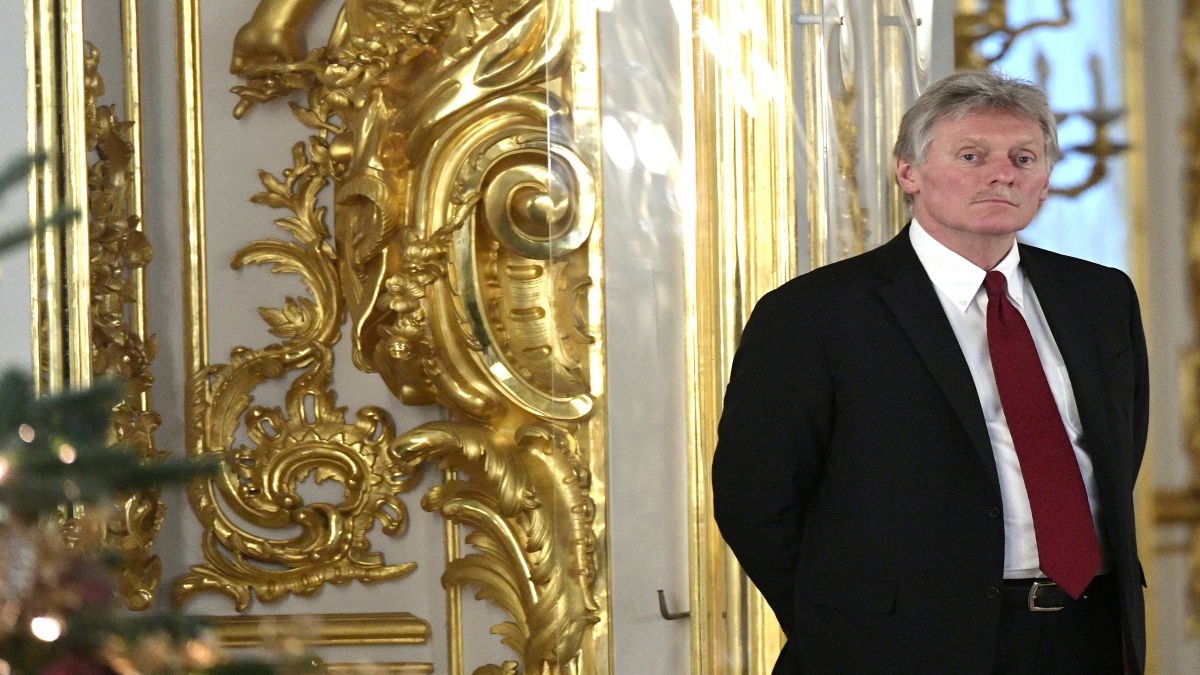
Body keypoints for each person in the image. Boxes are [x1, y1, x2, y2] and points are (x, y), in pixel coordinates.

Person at [711, 69, 1147, 674]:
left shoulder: (1100, 297)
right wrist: (844, 625)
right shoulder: (814, 312)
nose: (1003, 173)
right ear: (907, 171)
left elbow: (1117, 451)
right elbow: (754, 499)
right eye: (973, 155)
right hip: (895, 646)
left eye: (1025, 156)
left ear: (1046, 180)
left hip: (1088, 632)